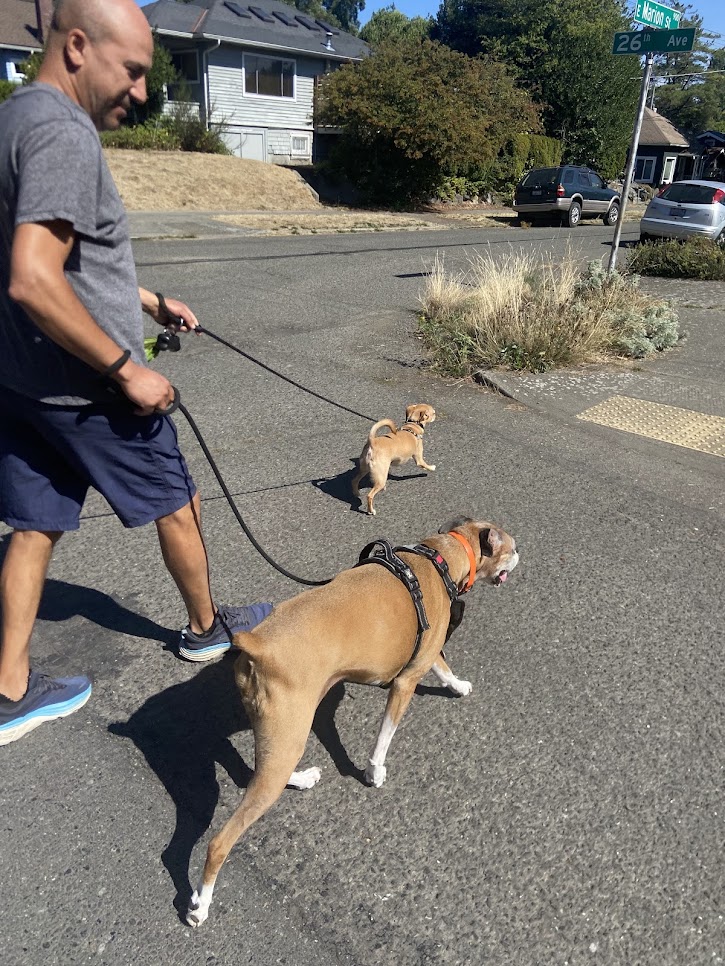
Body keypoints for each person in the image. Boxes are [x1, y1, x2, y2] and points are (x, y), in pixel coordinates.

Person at [0, 0, 272, 746]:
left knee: (32, 529)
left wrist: (147, 300)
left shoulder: (15, 118)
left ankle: (9, 688)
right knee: (177, 502)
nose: (143, 92)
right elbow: (32, 276)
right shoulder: (61, 133)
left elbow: (68, 259)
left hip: (24, 384)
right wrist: (127, 369)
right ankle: (204, 629)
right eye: (134, 71)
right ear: (79, 47)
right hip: (90, 392)